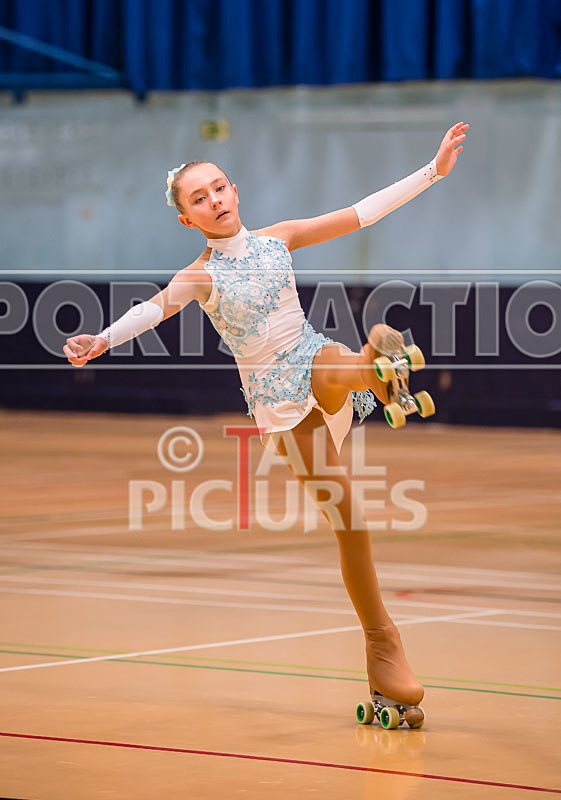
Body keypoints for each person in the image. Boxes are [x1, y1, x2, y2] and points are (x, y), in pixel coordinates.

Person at [64, 122, 468, 723]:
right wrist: (102, 338)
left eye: (220, 188)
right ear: (187, 220)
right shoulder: (199, 276)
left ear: (236, 191)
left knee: (332, 363)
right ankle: (382, 642)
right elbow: (153, 310)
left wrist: (432, 172)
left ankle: (372, 369)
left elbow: (361, 213)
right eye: (199, 198)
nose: (215, 201)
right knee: (350, 520)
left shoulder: (279, 240)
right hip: (276, 403)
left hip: (314, 359)